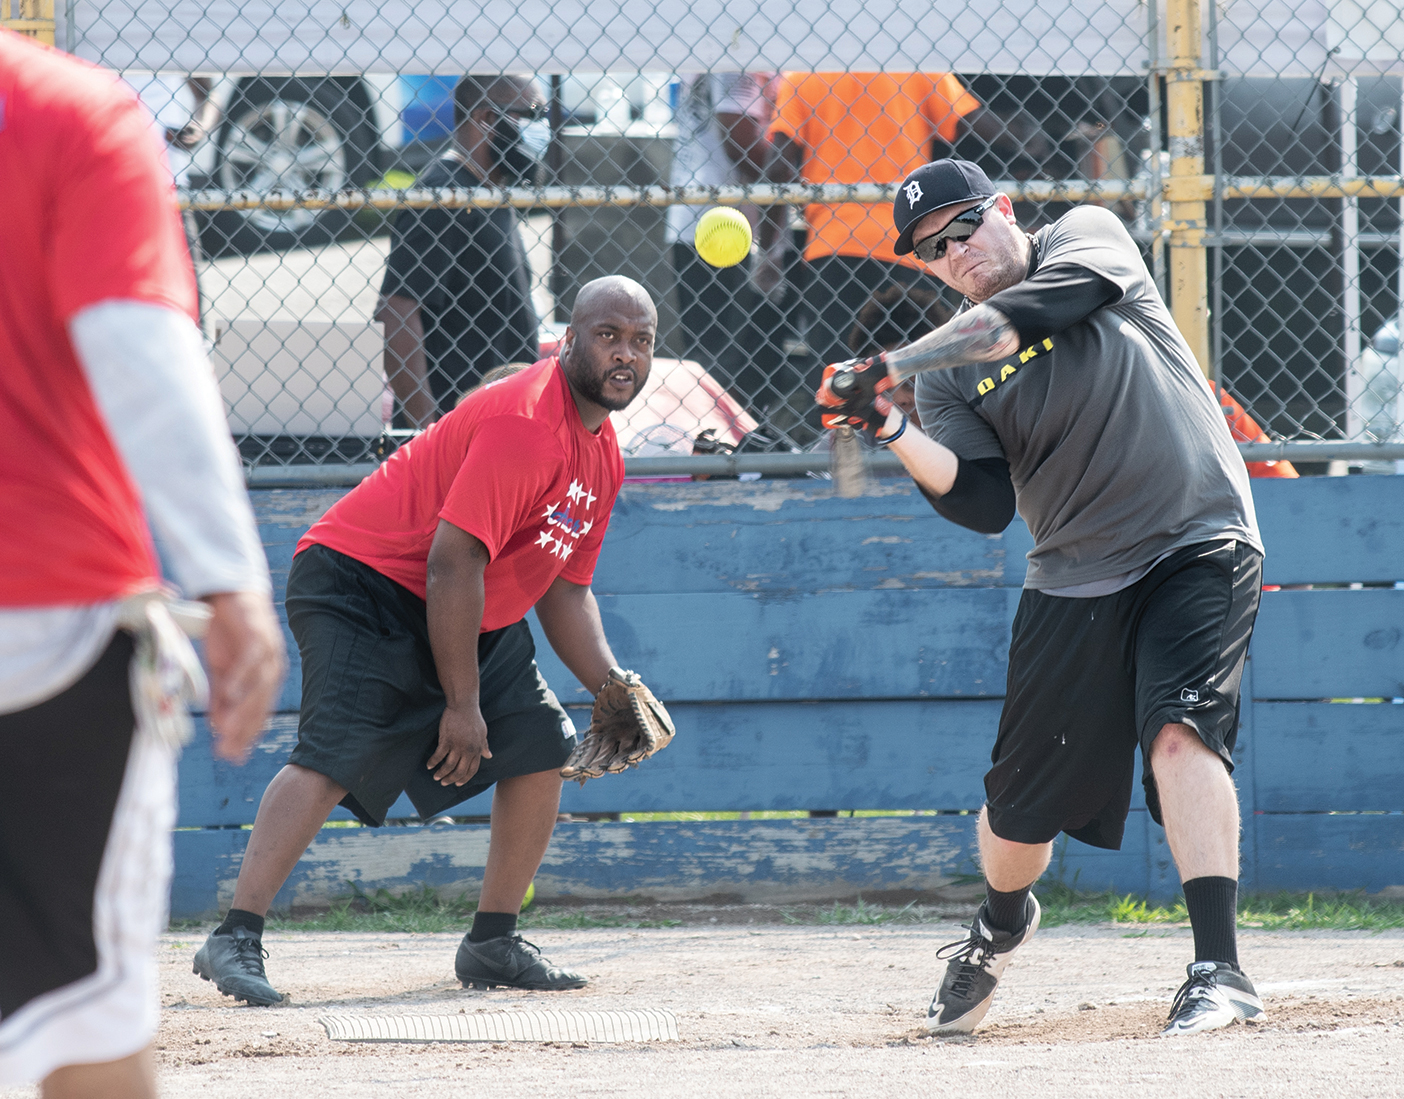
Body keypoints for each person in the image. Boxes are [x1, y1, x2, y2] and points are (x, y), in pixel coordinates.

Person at [816, 159, 1267, 1037]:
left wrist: (887, 365)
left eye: (963, 226)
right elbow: (982, 504)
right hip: (1074, 571)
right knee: (1016, 816)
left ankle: (1221, 968)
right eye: (932, 249)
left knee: (1180, 729)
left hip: (1196, 534)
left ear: (1006, 209)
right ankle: (999, 922)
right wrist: (893, 423)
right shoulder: (945, 380)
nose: (954, 251)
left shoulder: (1086, 239)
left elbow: (1010, 322)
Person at [192, 276, 660, 1005]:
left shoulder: (604, 456)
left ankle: (492, 941)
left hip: (464, 604)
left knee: (541, 742)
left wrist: (610, 683)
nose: (625, 353)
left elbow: (565, 590)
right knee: (334, 752)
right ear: (567, 340)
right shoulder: (529, 423)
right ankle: (235, 935)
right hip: (364, 581)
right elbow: (453, 558)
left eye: (641, 340)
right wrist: (462, 702)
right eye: (607, 335)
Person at [0, 32, 285, 1099]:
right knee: (88, 1028)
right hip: (47, 626)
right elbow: (139, 346)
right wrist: (231, 580)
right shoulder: (69, 110)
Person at [762, 72, 1048, 371]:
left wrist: (769, 252)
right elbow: (972, 121)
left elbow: (778, 167)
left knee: (837, 375)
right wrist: (1025, 135)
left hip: (833, 244)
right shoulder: (913, 66)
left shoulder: (804, 76)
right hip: (914, 243)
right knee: (918, 373)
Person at [377, 75, 548, 428]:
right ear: (486, 118)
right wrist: (428, 432)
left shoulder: (487, 190)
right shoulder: (443, 195)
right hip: (459, 428)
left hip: (499, 424)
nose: (540, 129)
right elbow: (397, 311)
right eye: (530, 115)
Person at [667, 73, 787, 415]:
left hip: (713, 221)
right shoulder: (741, 50)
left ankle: (734, 450)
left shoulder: (724, 44)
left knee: (731, 361)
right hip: (725, 227)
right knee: (731, 366)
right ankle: (728, 453)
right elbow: (740, 136)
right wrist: (802, 177)